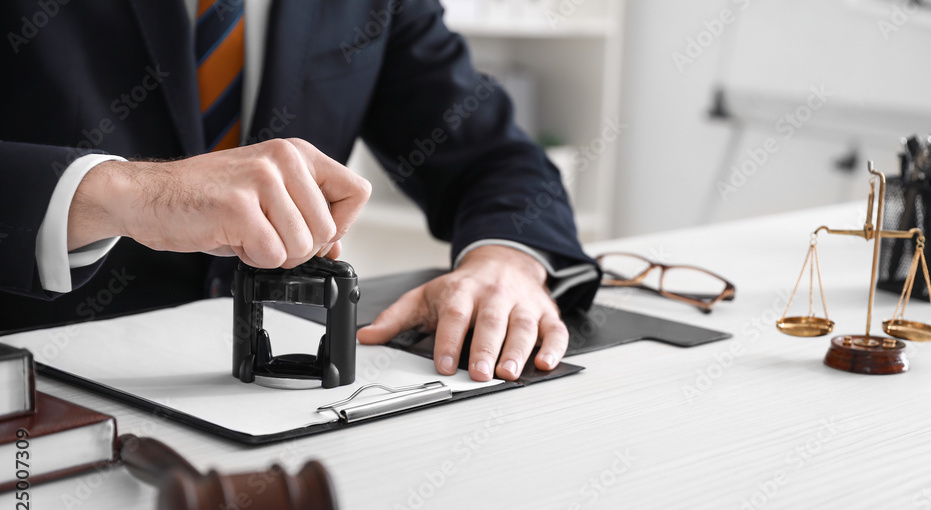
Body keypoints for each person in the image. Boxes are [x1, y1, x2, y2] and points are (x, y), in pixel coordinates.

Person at [0, 0, 600, 381]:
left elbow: (495, 156)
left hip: (282, 405)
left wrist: (504, 261)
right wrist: (119, 193)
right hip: (39, 390)